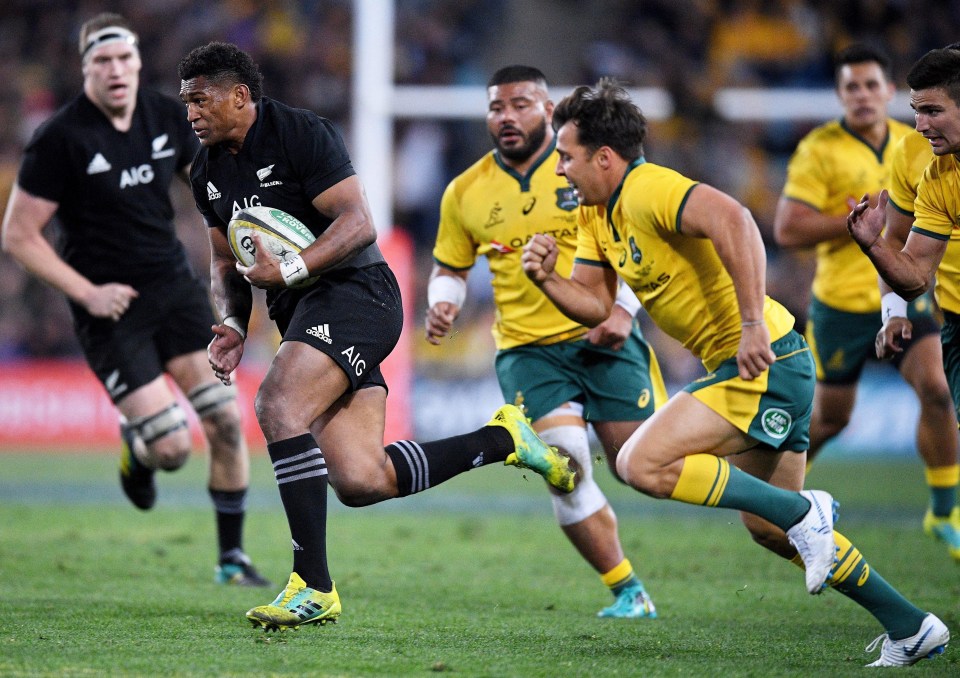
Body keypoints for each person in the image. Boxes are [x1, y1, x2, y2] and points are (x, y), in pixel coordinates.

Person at [522, 79, 949, 667]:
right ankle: (911, 625)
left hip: (763, 357)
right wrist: (547, 279)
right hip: (775, 362)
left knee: (639, 463)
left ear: (604, 157)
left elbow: (738, 220)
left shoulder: (648, 187)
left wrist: (751, 322)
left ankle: (806, 510)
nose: (560, 169)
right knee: (770, 528)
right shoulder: (600, 214)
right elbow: (596, 305)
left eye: (566, 156)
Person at [176, 42, 573, 631]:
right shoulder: (205, 170)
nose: (191, 113)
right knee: (362, 479)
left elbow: (359, 223)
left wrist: (289, 270)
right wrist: (235, 324)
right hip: (302, 312)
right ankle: (502, 440)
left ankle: (311, 586)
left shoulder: (301, 134)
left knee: (278, 402)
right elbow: (221, 262)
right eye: (185, 102)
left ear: (240, 95)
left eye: (200, 99)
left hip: (359, 294)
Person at [0, 13, 269, 587]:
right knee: (172, 449)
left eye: (124, 58)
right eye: (102, 61)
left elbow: (208, 187)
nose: (115, 69)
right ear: (86, 69)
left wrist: (240, 233)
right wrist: (87, 293)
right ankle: (139, 445)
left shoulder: (167, 117)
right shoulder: (60, 138)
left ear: (139, 64)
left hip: (172, 289)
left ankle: (232, 559)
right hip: (109, 307)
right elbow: (18, 234)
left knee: (224, 420)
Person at [426, 65, 664, 619]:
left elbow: (641, 242)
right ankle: (629, 590)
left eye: (521, 104)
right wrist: (445, 302)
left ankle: (774, 501)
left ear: (549, 107)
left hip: (603, 336)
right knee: (566, 468)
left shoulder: (592, 169)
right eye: (496, 107)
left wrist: (625, 311)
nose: (506, 117)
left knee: (644, 465)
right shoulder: (465, 191)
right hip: (528, 352)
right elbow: (450, 266)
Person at [772, 45, 958, 540]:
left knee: (936, 389)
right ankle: (776, 499)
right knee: (831, 418)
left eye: (871, 85)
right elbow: (788, 231)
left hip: (919, 298)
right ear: (839, 95)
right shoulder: (823, 149)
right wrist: (857, 228)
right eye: (851, 87)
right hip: (842, 301)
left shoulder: (921, 143)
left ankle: (944, 510)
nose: (862, 95)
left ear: (887, 92)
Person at [850, 46, 960, 563]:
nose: (918, 125)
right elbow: (914, 270)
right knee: (828, 418)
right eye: (916, 111)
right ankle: (943, 511)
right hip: (954, 317)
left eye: (932, 111)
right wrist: (874, 249)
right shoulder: (929, 167)